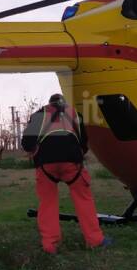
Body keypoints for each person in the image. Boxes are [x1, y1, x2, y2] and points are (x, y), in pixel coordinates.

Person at [20, 93, 110, 253]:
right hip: (72, 161)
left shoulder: (38, 115)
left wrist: (36, 151)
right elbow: (83, 142)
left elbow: (27, 144)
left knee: (47, 202)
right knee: (83, 199)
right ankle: (95, 241)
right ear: (63, 103)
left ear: (49, 103)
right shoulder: (75, 114)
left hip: (45, 163)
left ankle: (50, 245)